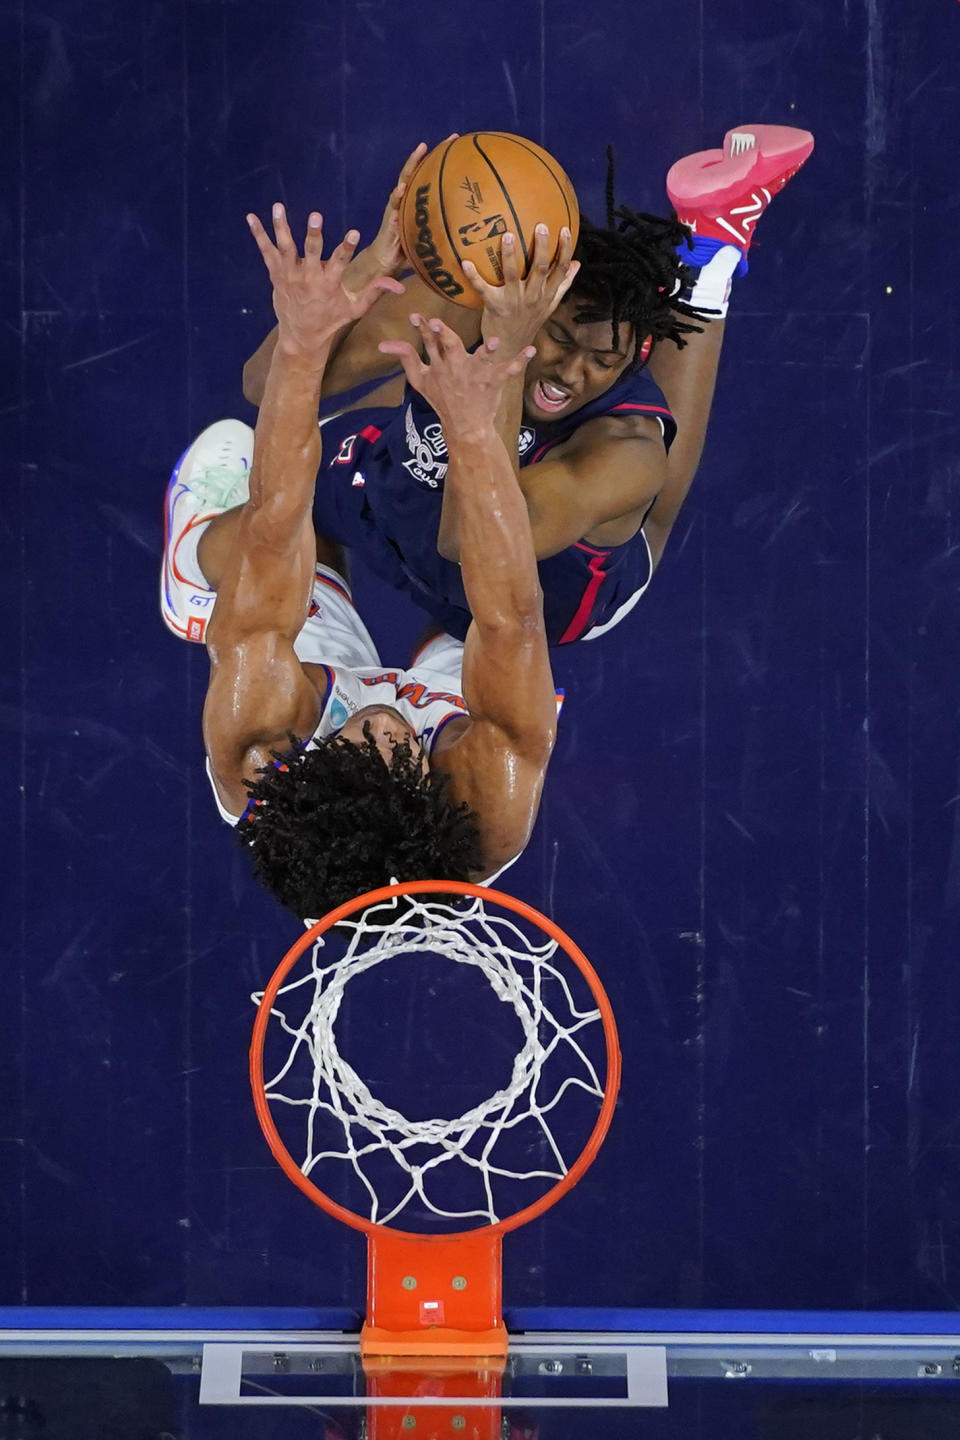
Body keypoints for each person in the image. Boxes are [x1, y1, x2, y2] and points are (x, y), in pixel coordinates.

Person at [240, 123, 814, 645]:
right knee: (267, 463)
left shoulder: (625, 450)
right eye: (561, 339)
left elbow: (469, 544)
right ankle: (710, 242)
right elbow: (264, 386)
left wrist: (507, 354)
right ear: (539, 305)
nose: (571, 372)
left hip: (530, 598)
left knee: (644, 489)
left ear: (633, 361)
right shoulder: (475, 304)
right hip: (393, 499)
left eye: (604, 360)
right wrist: (361, 279)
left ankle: (707, 262)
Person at [161, 206, 559, 919]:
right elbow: (513, 620)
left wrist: (305, 342)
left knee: (275, 520)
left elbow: (277, 520)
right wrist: (473, 426)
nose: (391, 726)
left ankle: (189, 569)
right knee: (531, 590)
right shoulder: (486, 798)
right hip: (442, 764)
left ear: (309, 763)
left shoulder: (260, 739)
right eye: (403, 756)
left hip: (309, 694)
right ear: (428, 788)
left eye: (363, 745)